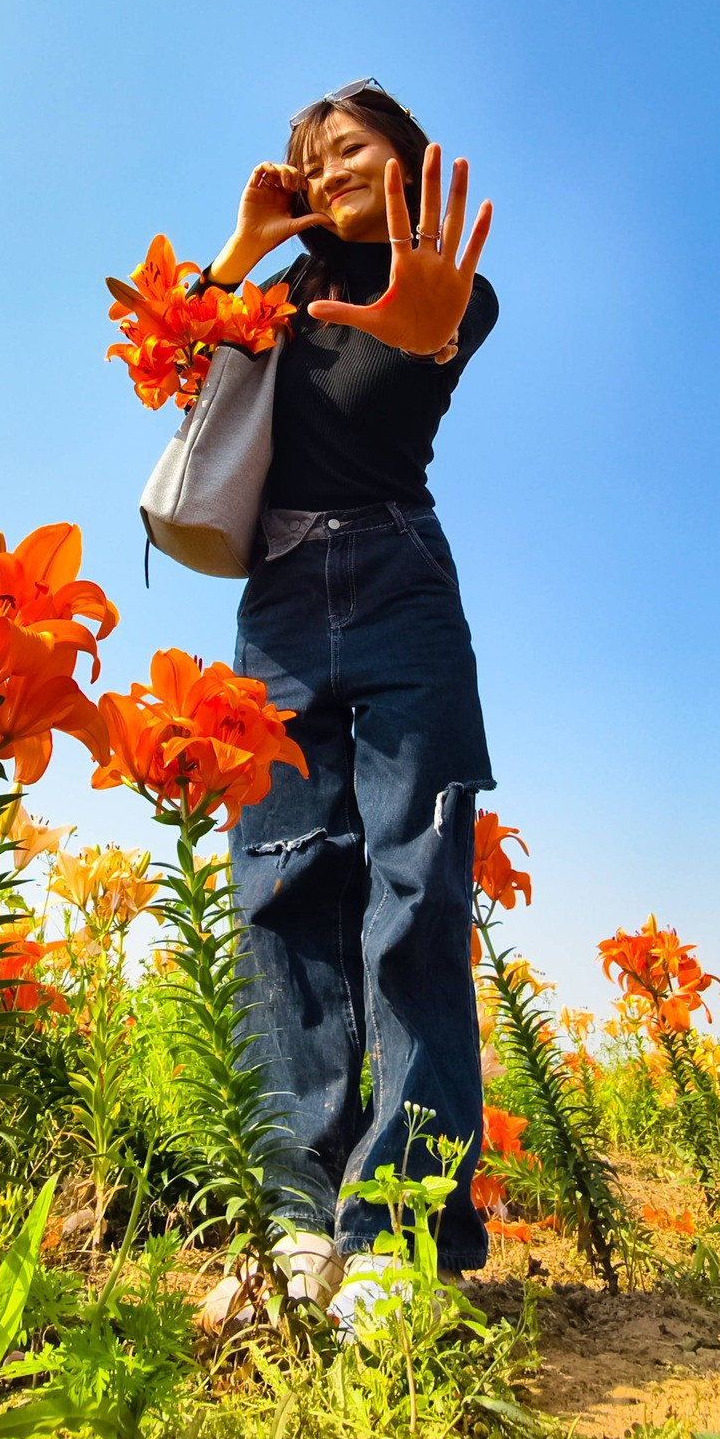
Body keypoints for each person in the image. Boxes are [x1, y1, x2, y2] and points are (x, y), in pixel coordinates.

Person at [192, 81, 499, 1332]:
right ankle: (294, 1220)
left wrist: (420, 326)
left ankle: (399, 1225)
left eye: (351, 148)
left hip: (395, 578)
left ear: (409, 159)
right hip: (275, 598)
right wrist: (245, 241)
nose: (326, 169)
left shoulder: (448, 283)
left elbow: (399, 375)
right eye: (308, 159)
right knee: (277, 888)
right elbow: (174, 369)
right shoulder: (269, 299)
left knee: (414, 884)